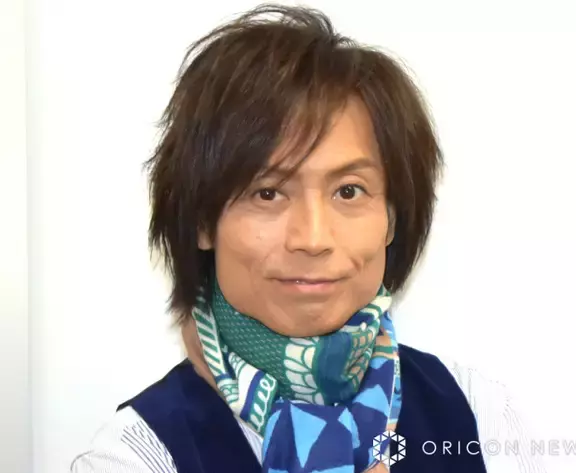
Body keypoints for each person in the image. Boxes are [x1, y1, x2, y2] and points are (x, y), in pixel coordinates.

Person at [71, 4, 547, 473]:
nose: (313, 238)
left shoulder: (478, 416)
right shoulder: (139, 454)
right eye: (268, 192)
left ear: (392, 218)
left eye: (349, 191)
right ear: (201, 221)